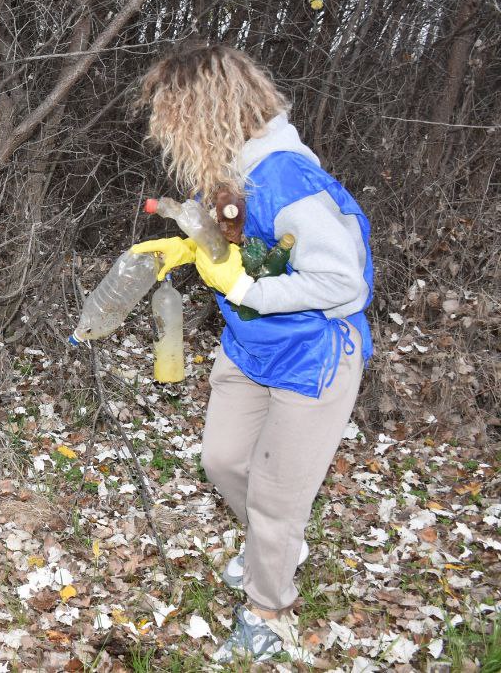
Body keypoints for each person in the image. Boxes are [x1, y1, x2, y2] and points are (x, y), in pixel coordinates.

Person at [129, 44, 372, 662]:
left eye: (173, 117)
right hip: (250, 347)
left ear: (208, 111)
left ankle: (270, 612)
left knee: (275, 497)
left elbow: (344, 281)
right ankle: (277, 544)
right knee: (222, 461)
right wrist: (189, 248)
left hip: (313, 355)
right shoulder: (229, 172)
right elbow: (236, 244)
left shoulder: (285, 177)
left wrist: (247, 291)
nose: (166, 133)